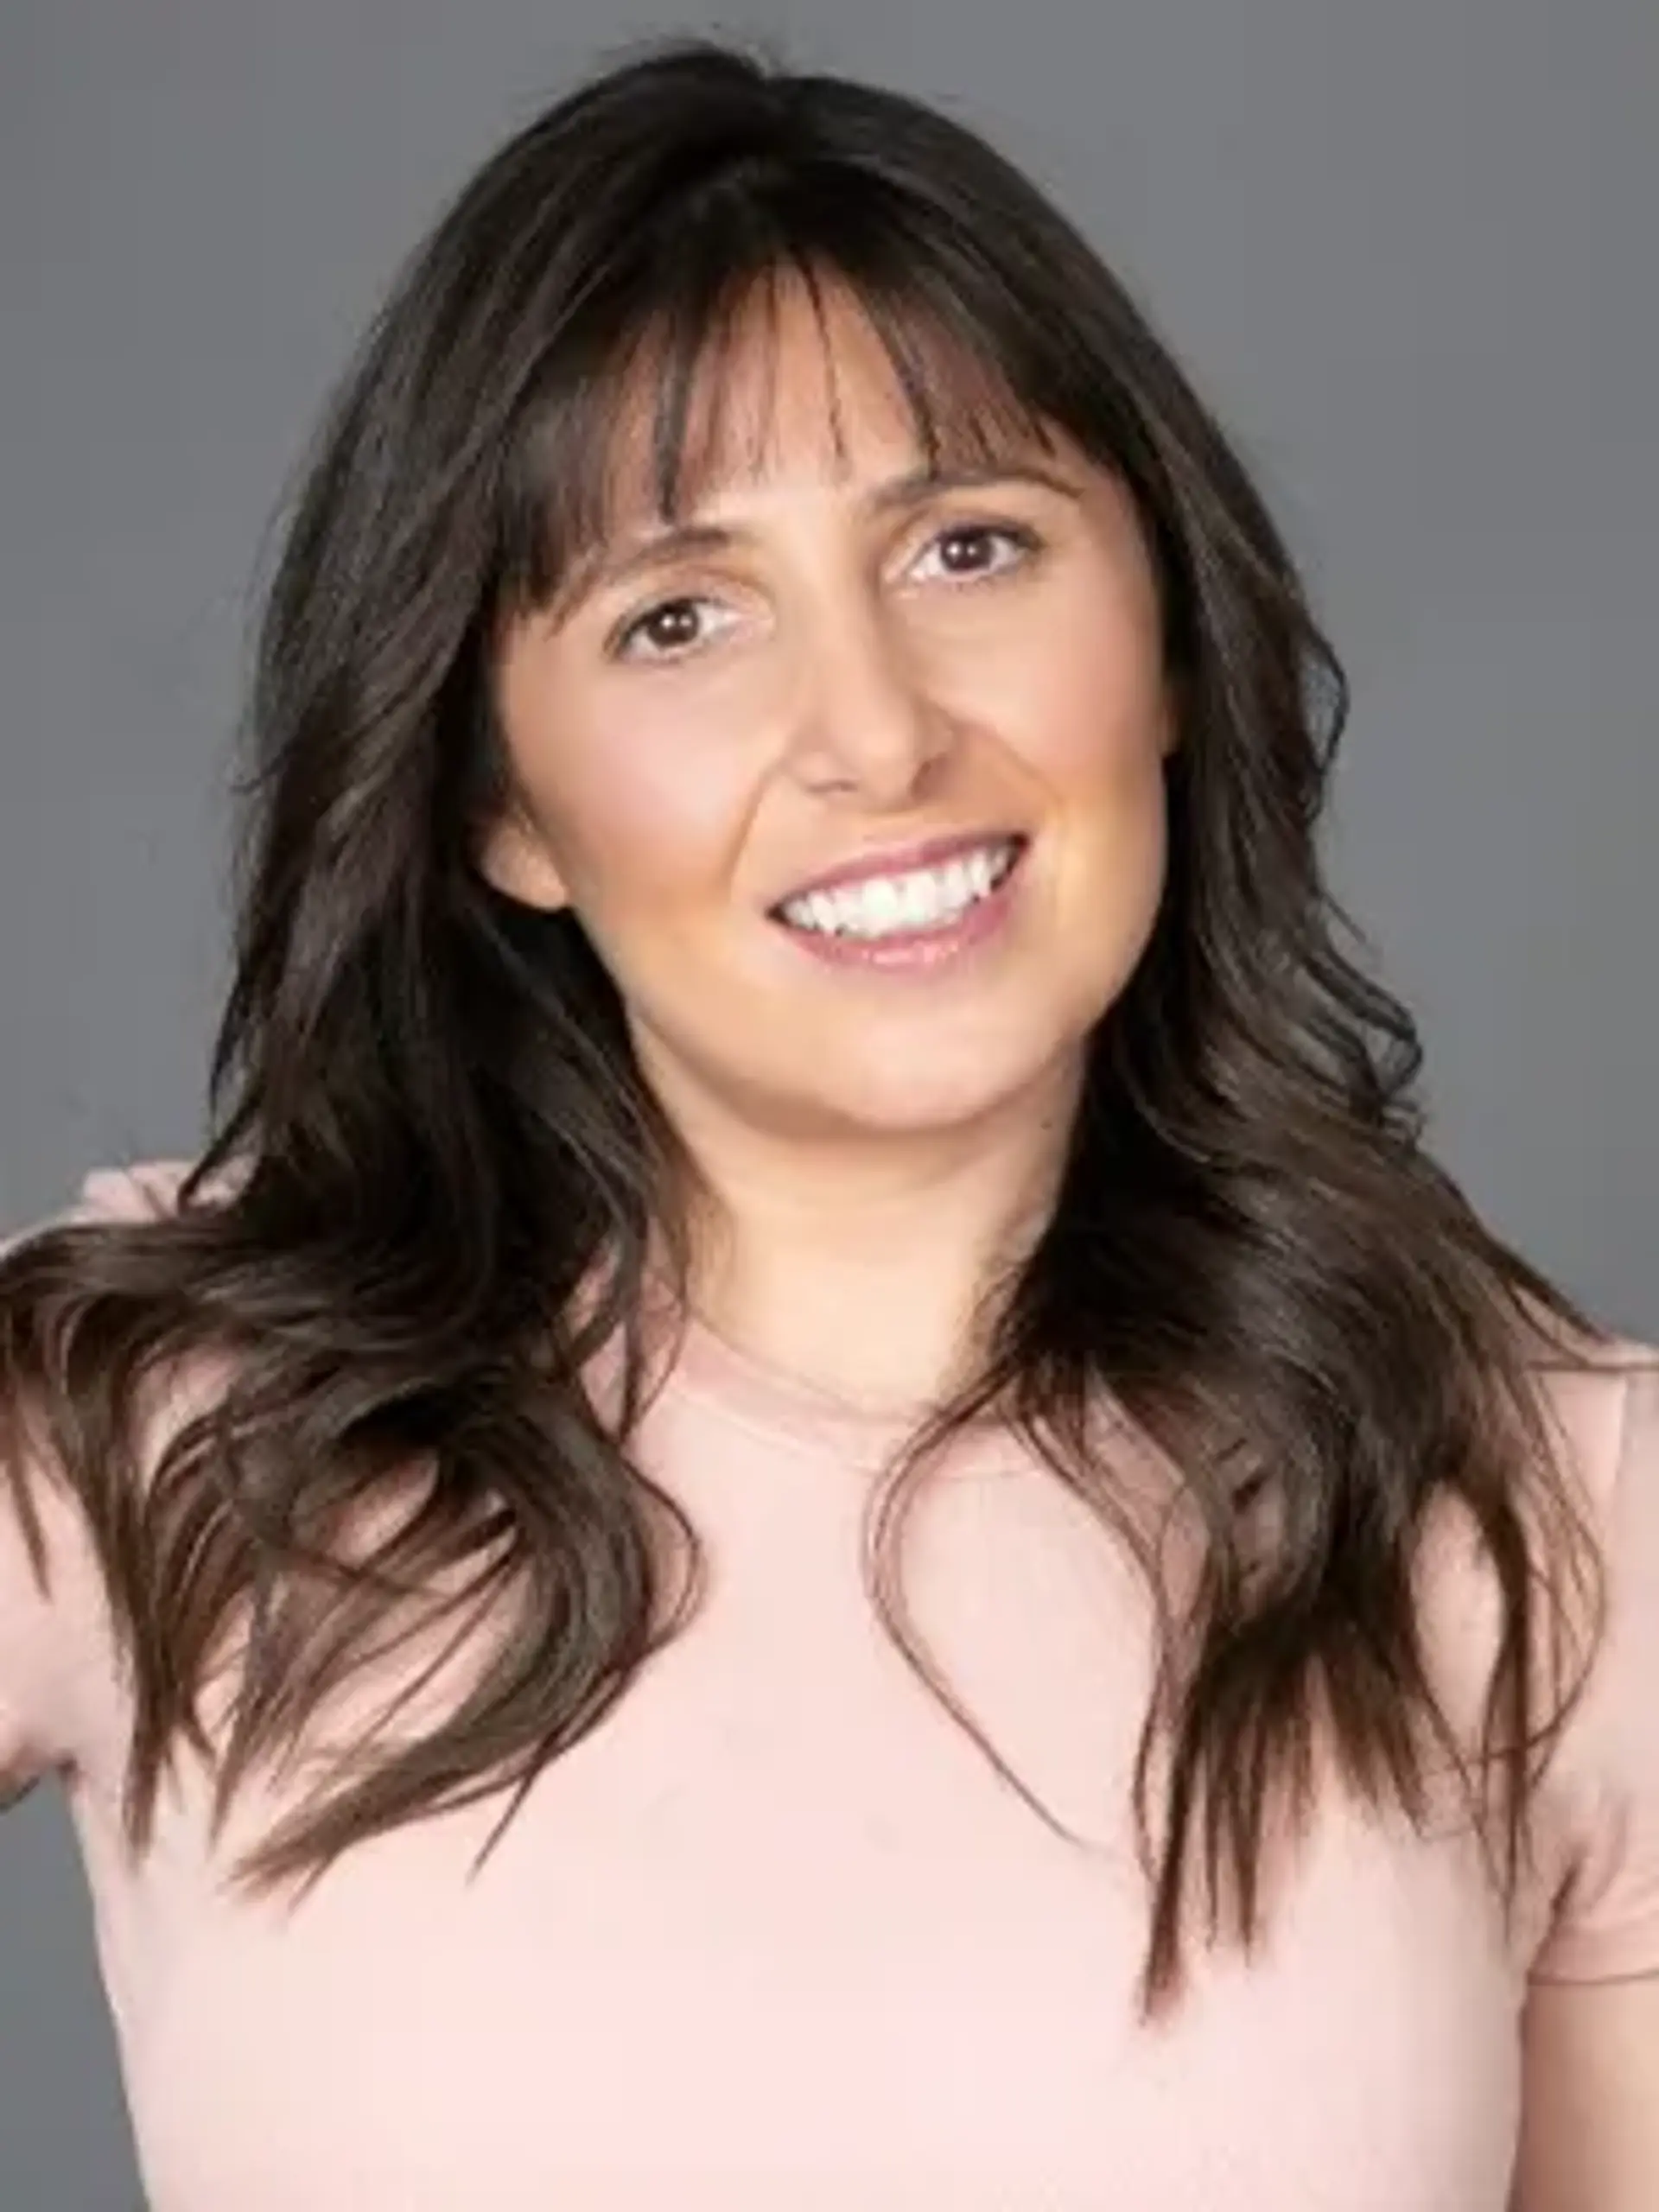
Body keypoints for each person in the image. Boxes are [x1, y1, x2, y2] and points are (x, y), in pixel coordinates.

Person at [2, 34, 1655, 2212]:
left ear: (1166, 640)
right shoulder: (155, 1419)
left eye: (970, 546)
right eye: (679, 617)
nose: (874, 732)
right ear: (502, 803)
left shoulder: (1555, 1509)